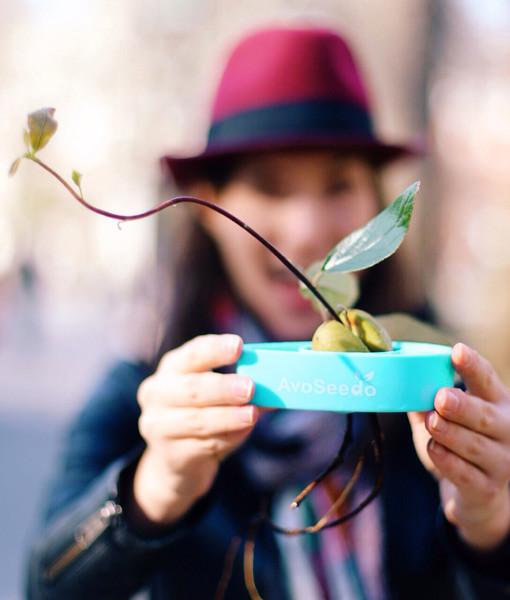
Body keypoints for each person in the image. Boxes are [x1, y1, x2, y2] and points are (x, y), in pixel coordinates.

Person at [26, 27, 510, 600]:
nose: (306, 234)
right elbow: (43, 583)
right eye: (269, 187)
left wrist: (491, 528)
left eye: (338, 185)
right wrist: (150, 491)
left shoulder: (433, 388)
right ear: (210, 206)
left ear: (376, 203)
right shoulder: (152, 391)